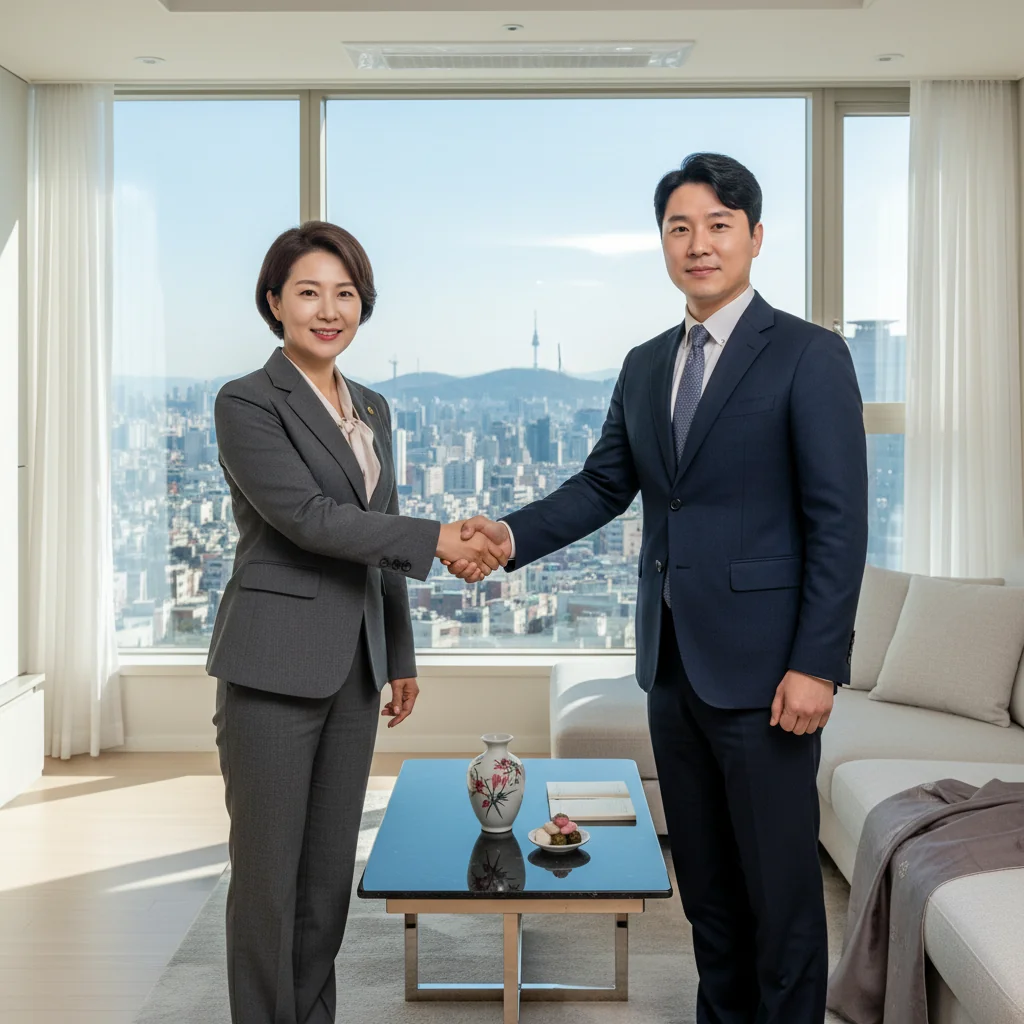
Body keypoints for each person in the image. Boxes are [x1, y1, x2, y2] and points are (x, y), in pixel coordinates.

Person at [448, 154, 868, 1023]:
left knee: (781, 899)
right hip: (673, 669)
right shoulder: (646, 365)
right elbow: (606, 485)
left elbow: (839, 523)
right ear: (663, 245)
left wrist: (818, 665)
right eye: (680, 228)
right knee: (708, 893)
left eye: (719, 225)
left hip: (769, 676)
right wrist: (511, 535)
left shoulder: (807, 355)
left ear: (755, 237)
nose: (699, 244)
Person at [207, 220, 506, 1024]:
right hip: (272, 665)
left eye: (345, 294)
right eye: (308, 292)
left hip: (355, 668)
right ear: (275, 302)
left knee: (326, 879)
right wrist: (440, 541)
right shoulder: (246, 400)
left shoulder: (370, 402)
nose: (328, 309)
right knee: (267, 882)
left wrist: (399, 653)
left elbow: (382, 525)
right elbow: (308, 519)